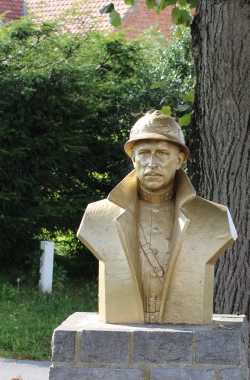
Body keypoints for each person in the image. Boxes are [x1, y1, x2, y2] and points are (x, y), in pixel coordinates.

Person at [77, 111, 237, 325]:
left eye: (162, 153)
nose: (152, 162)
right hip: (121, 318)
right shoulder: (98, 217)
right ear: (133, 158)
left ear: (179, 159)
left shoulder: (214, 218)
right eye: (144, 153)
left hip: (186, 321)